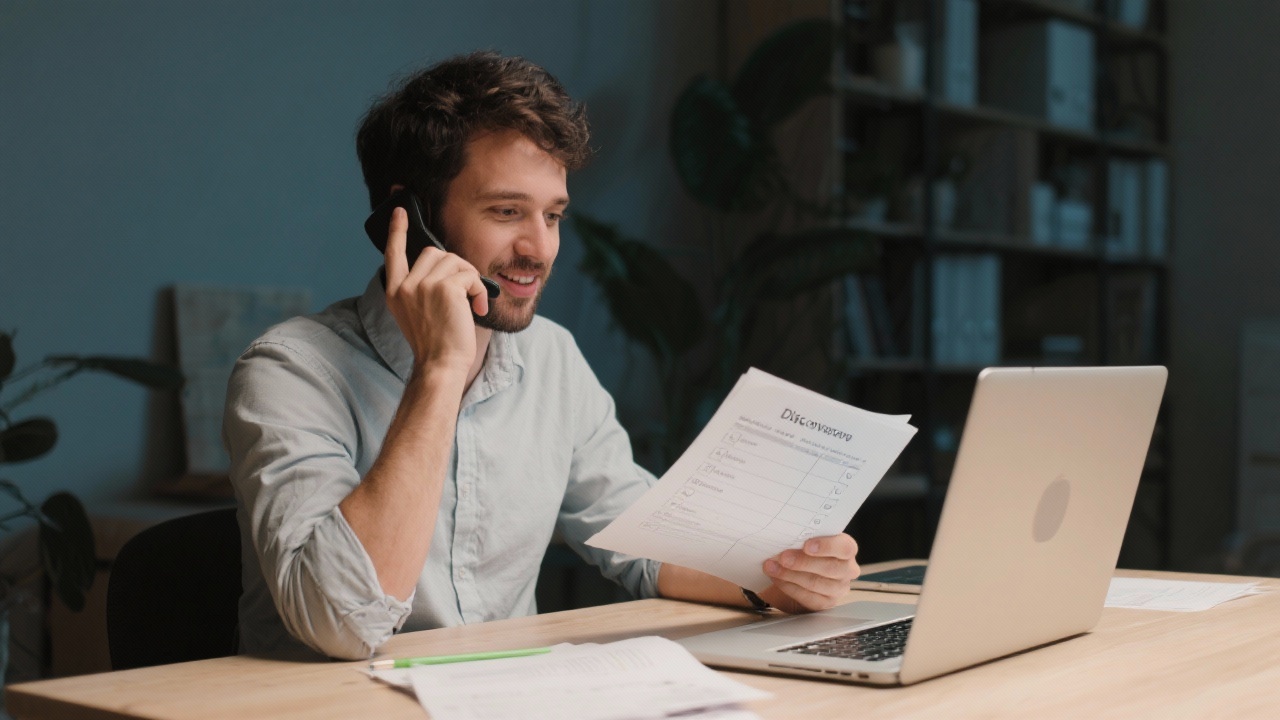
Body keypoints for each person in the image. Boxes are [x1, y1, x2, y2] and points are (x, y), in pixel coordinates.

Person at [223, 50, 861, 661]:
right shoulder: (289, 371)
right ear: (407, 218)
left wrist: (776, 579)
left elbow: (641, 541)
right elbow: (341, 622)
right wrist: (439, 371)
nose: (539, 248)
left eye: (552, 216)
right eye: (506, 211)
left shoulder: (551, 360)